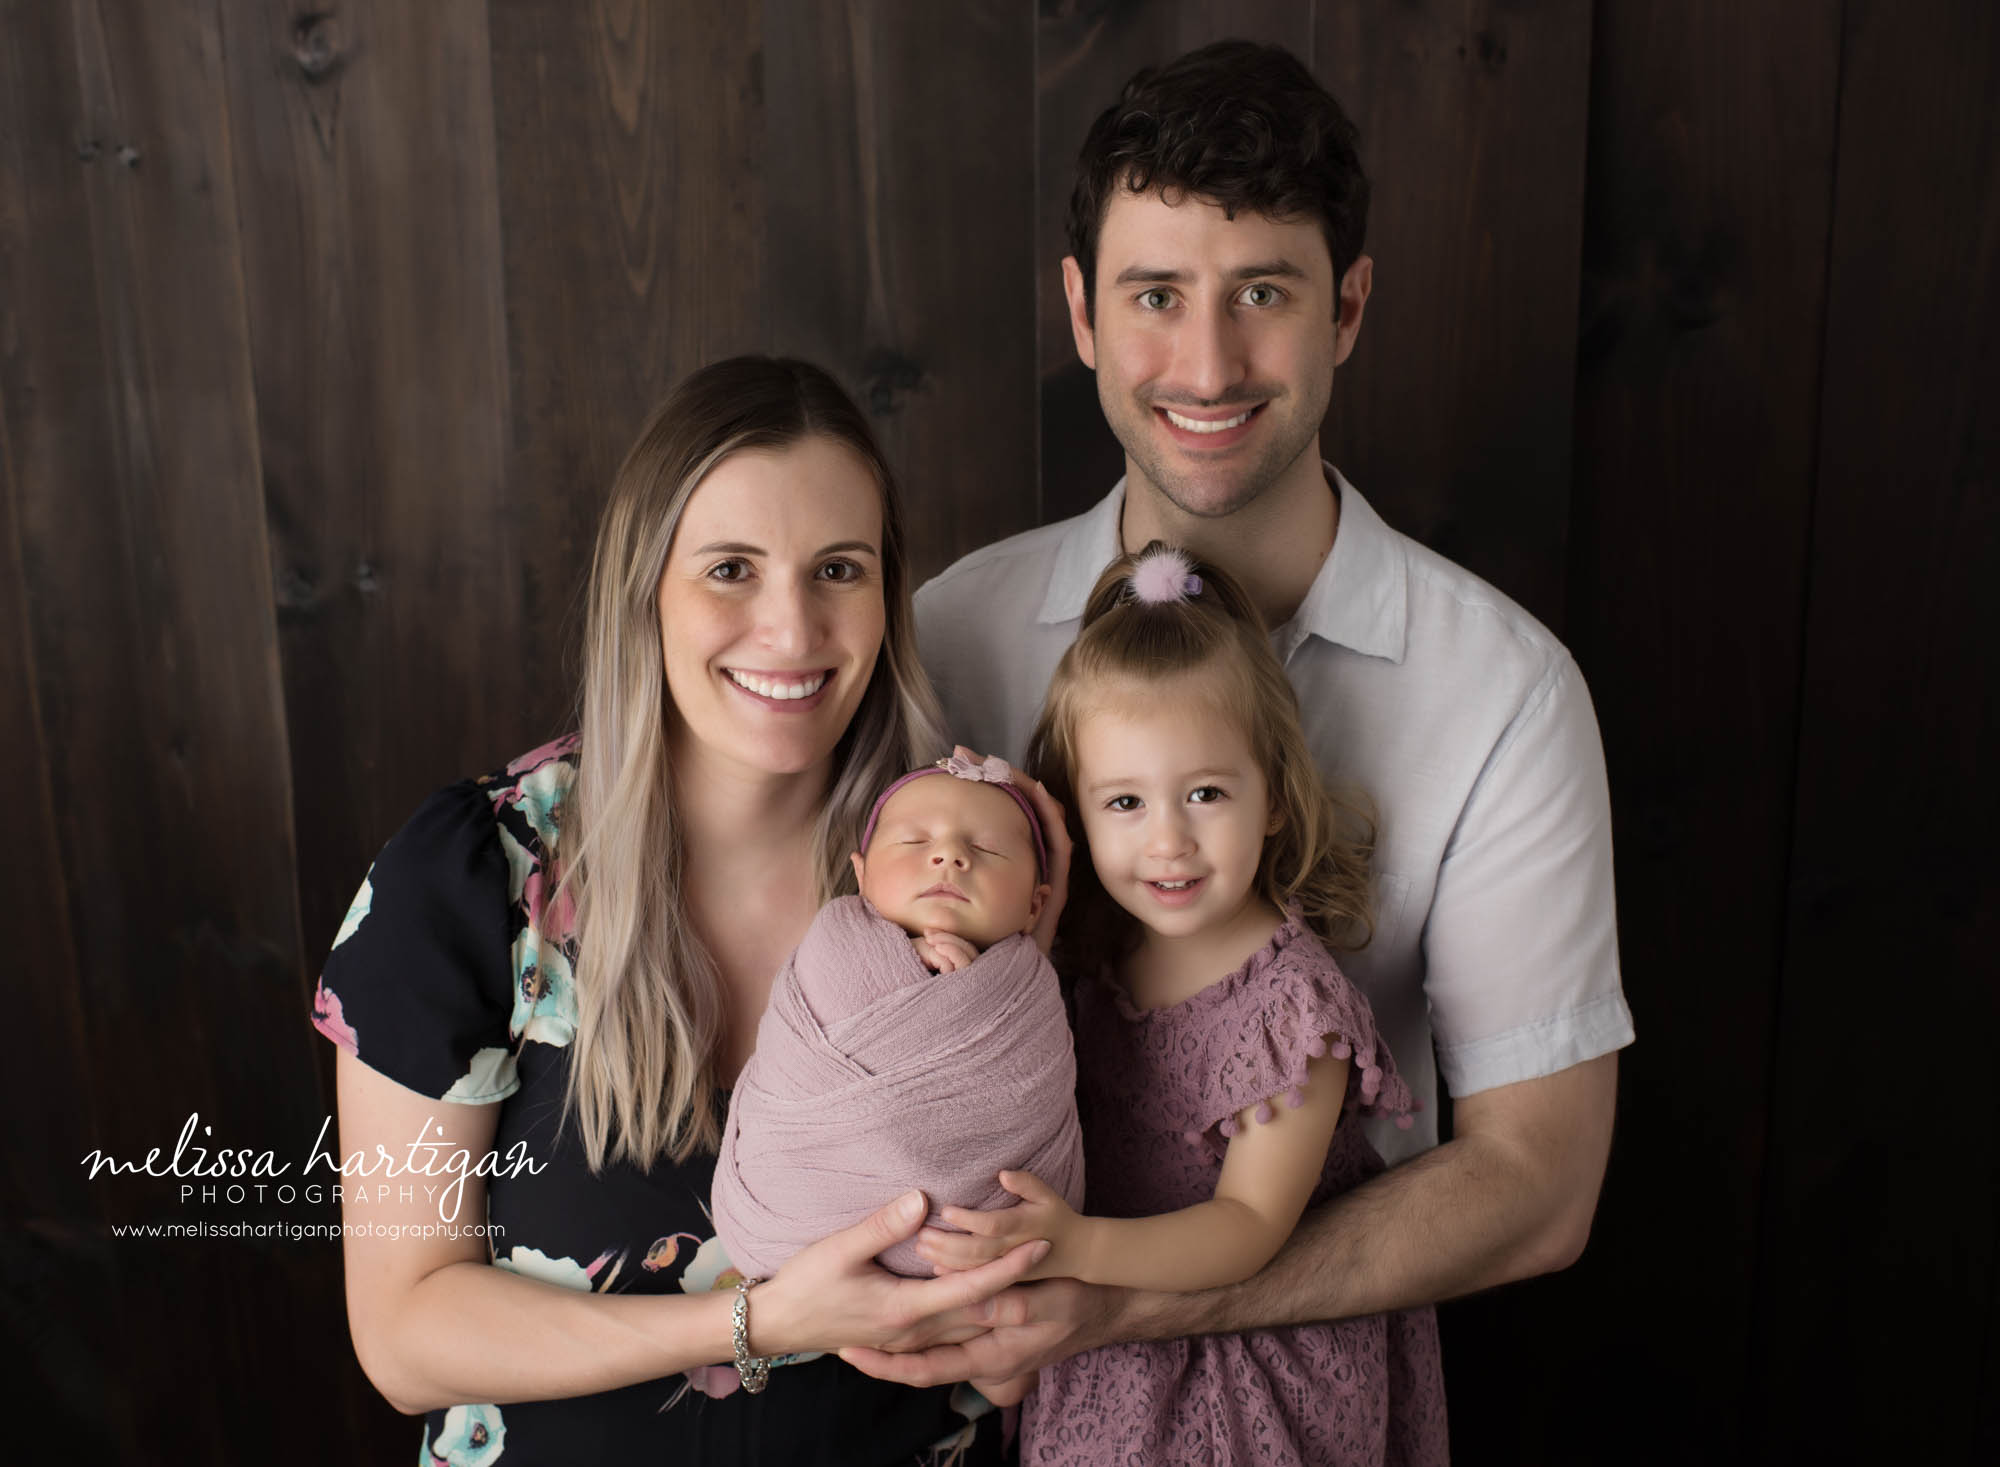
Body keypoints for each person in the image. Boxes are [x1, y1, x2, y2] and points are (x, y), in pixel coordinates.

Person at [856, 39, 1635, 1402]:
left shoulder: (1506, 691)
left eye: (1262, 292)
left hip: (1289, 1391)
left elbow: (1540, 1182)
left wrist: (1113, 1302)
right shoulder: (954, 634)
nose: (1207, 364)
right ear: (1084, 313)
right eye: (1156, 294)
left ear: (1347, 306)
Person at [308, 356, 1054, 1464]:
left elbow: (1040, 1263)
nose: (791, 630)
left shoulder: (957, 865)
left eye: (837, 569)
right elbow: (406, 1332)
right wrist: (756, 1323)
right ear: (643, 587)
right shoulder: (476, 877)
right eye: (730, 569)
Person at [918, 544, 1446, 1464]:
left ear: (1275, 796)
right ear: (1075, 816)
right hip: (1107, 1345)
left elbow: (1246, 1230)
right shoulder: (1092, 959)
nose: (1168, 841)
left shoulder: (1293, 1012)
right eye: (1124, 801)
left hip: (1245, 1364)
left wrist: (1076, 1245)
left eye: (1205, 792)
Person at [711, 755, 1084, 1282]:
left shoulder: (1029, 990)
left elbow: (1028, 1096)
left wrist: (970, 996)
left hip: (978, 1246)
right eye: (914, 842)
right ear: (860, 877)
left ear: (1035, 905)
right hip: (796, 1225)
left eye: (987, 849)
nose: (950, 856)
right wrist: (902, 967)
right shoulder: (833, 942)